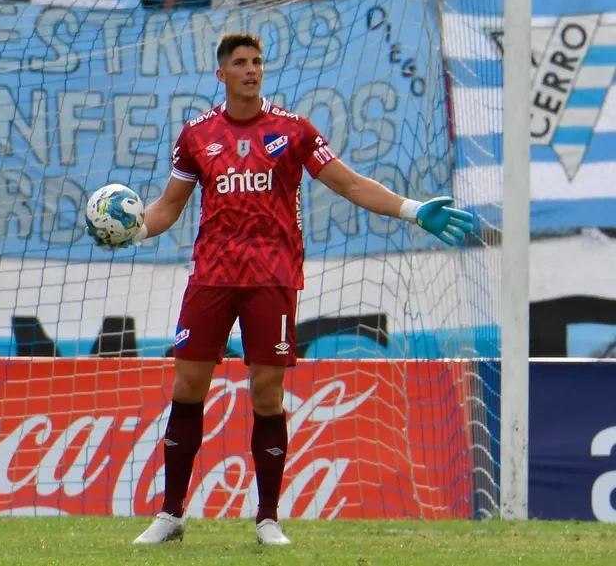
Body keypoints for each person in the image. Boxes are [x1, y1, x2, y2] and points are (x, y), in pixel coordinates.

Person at [85, 33, 473, 546]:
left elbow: (351, 184)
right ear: (221, 74)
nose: (251, 70)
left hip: (273, 279)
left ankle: (267, 518)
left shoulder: (292, 131)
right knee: (187, 388)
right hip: (211, 279)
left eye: (257, 62)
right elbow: (168, 206)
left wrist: (412, 210)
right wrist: (134, 230)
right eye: (240, 63)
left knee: (267, 394)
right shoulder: (197, 136)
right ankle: (171, 514)